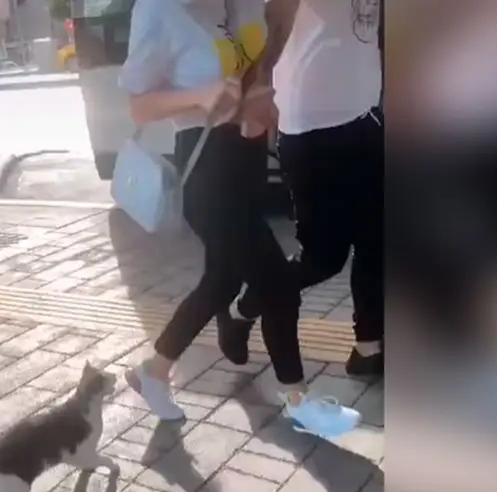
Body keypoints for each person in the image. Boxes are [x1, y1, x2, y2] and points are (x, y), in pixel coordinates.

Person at [119, 0, 361, 435]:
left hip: (247, 161)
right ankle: (298, 400)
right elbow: (137, 106)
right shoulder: (160, 9)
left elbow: (258, 55)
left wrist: (259, 89)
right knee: (279, 285)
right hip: (206, 170)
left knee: (222, 281)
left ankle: (153, 373)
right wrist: (200, 95)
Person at [217, 0, 385, 377]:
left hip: (365, 115)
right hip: (312, 126)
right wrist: (261, 81)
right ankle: (243, 309)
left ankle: (368, 347)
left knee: (379, 238)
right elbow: (278, 12)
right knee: (324, 256)